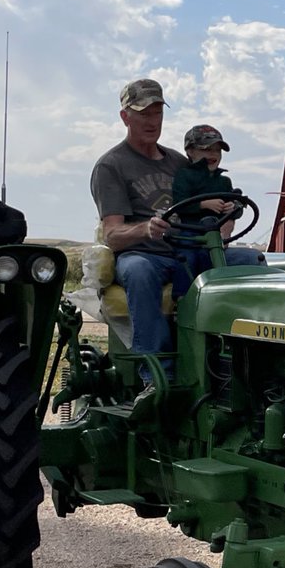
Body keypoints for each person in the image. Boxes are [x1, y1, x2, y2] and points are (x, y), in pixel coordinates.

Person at [89, 80, 263, 373]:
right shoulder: (111, 165)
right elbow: (113, 234)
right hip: (146, 254)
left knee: (252, 262)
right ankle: (157, 373)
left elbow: (212, 199)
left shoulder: (178, 162)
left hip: (190, 248)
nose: (152, 121)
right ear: (125, 117)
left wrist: (229, 216)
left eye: (157, 113)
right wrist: (146, 229)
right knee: (138, 271)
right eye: (143, 113)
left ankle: (244, 364)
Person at [169, 124, 239, 299]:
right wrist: (203, 205)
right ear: (190, 151)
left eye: (217, 150)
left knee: (215, 260)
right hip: (190, 233)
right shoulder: (185, 176)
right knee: (186, 259)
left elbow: (237, 205)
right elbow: (180, 204)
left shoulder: (224, 182)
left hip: (216, 237)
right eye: (206, 149)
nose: (213, 154)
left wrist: (232, 209)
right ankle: (182, 299)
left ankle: (216, 299)